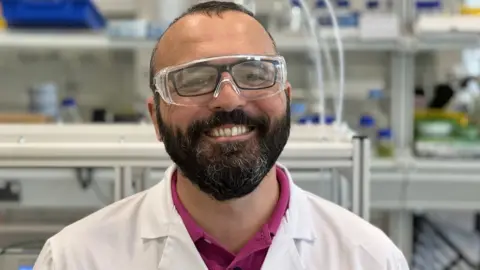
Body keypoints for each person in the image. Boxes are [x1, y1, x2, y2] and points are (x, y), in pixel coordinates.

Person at [33, 1, 409, 270]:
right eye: (194, 81)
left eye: (254, 74)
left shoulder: (369, 258)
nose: (229, 97)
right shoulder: (75, 258)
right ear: (155, 117)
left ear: (286, 98)